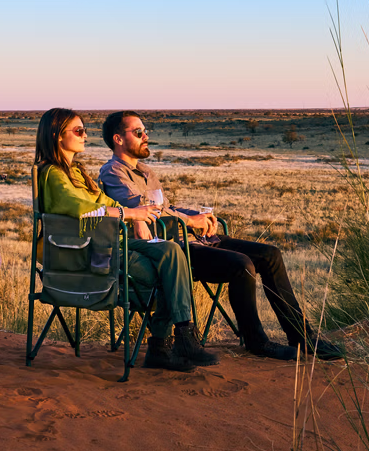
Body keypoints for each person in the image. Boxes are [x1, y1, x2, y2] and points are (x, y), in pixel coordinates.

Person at [98, 111, 343, 362]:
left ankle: (303, 336)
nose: (145, 136)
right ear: (118, 139)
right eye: (138, 132)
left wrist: (197, 216)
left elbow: (166, 207)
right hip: (170, 249)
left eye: (145, 130)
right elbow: (147, 214)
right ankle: (256, 341)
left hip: (190, 238)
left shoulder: (146, 171)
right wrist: (191, 221)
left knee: (270, 255)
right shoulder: (113, 173)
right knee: (241, 265)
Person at [35, 107, 220, 372]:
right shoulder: (53, 174)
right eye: (78, 131)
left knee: (171, 251)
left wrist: (138, 216)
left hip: (106, 243)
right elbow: (82, 210)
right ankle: (163, 344)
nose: (85, 136)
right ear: (56, 135)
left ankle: (178, 338)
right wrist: (130, 213)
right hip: (87, 253)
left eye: (84, 130)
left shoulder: (75, 173)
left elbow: (104, 202)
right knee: (166, 270)